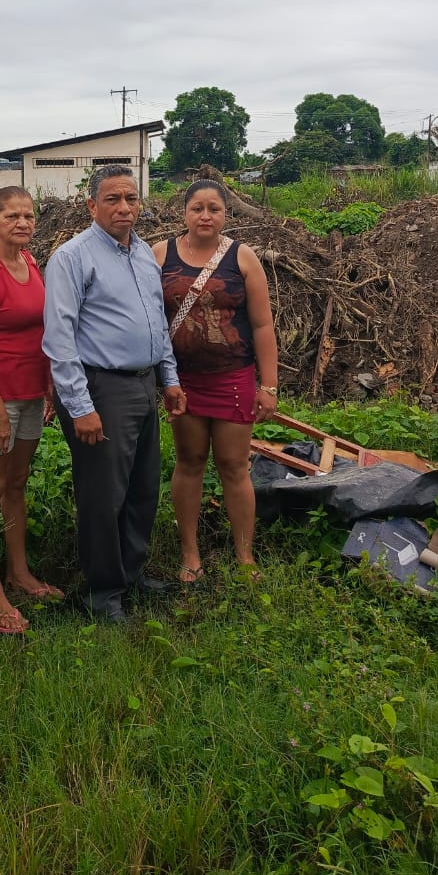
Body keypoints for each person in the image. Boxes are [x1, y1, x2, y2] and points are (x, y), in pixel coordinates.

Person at [42, 165, 187, 623]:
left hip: (143, 384)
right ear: (92, 206)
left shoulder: (143, 253)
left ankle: (131, 575)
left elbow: (157, 323)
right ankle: (101, 593)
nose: (124, 207)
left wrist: (169, 378)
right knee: (103, 497)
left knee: (142, 488)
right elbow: (59, 338)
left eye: (131, 198)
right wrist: (80, 407)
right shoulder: (72, 257)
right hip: (101, 387)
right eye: (112, 199)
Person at [152, 179, 278, 582]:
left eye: (214, 209)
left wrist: (268, 385)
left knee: (234, 466)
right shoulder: (160, 255)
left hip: (233, 378)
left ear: (226, 214)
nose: (205, 216)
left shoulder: (243, 257)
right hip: (182, 381)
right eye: (197, 208)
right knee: (189, 462)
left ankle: (245, 556)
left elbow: (262, 325)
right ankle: (190, 554)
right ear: (184, 212)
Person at [0, 188, 63, 635]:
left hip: (30, 392)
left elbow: (40, 330)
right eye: (11, 216)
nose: (22, 223)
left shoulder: (30, 262)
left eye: (28, 216)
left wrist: (47, 385)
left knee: (17, 483)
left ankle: (18, 573)